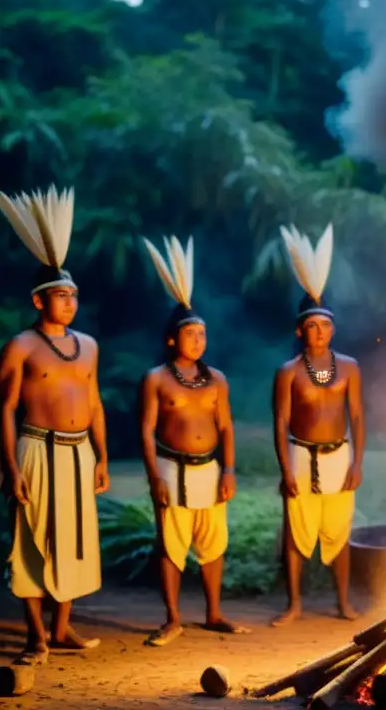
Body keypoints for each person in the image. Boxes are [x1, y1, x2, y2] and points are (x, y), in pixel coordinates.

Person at [0, 186, 108, 665]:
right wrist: (11, 467)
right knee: (33, 537)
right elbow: (4, 408)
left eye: (74, 295)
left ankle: (62, 629)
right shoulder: (20, 345)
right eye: (61, 296)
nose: (71, 302)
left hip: (79, 449)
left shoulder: (88, 345)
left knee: (77, 540)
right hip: (36, 448)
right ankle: (35, 636)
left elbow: (96, 403)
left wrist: (102, 457)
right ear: (39, 301)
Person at [137, 235, 249, 646]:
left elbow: (226, 428)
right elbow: (146, 430)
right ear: (172, 339)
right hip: (171, 467)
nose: (199, 340)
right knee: (171, 544)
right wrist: (155, 477)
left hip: (210, 468)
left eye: (202, 334)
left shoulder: (217, 379)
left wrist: (230, 469)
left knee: (213, 543)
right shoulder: (157, 378)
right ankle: (171, 618)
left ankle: (214, 613)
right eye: (191, 334)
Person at [271, 224, 365, 626]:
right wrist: (285, 468)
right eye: (312, 325)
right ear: (300, 330)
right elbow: (280, 421)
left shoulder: (349, 368)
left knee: (338, 531)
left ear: (333, 328)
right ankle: (294, 604)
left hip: (337, 455)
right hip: (299, 453)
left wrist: (357, 463)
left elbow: (357, 416)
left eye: (325, 325)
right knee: (296, 531)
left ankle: (343, 602)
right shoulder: (288, 371)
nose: (320, 332)